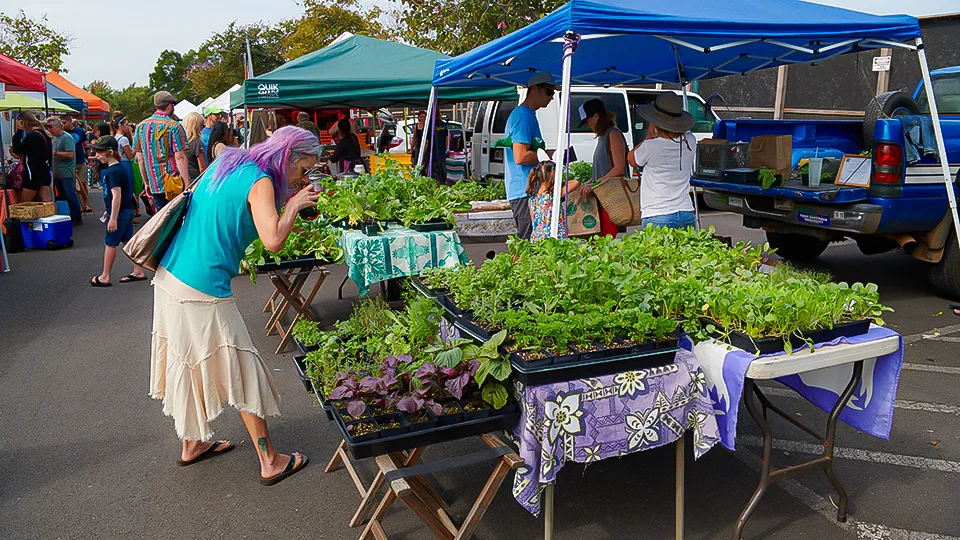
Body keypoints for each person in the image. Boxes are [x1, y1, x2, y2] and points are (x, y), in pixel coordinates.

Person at [150, 126, 318, 485]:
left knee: (189, 361)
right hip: (201, 286)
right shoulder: (261, 182)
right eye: (302, 168)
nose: (303, 177)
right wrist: (293, 206)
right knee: (240, 364)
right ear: (287, 156)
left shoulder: (229, 161)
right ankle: (270, 460)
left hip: (170, 275)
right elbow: (273, 240)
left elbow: (223, 153)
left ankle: (192, 444)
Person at [627, 93, 698, 230]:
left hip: (657, 214)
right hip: (686, 211)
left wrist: (648, 137)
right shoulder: (691, 140)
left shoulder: (650, 146)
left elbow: (631, 159)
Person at [505, 73, 557, 240]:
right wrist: (546, 155)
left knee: (530, 242)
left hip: (524, 189)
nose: (551, 97)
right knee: (528, 243)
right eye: (549, 92)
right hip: (524, 190)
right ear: (534, 89)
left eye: (553, 94)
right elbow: (520, 156)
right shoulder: (524, 116)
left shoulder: (526, 115)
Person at [89, 136, 146, 287]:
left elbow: (116, 195)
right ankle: (138, 270)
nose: (97, 156)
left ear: (110, 152)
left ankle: (105, 276)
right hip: (125, 210)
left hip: (119, 213)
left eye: (100, 152)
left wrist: (112, 217)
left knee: (110, 242)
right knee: (127, 240)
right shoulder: (118, 168)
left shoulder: (113, 172)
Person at [577, 99, 626, 238]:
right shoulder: (602, 136)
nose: (587, 125)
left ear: (596, 116)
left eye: (587, 120)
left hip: (611, 198)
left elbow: (619, 168)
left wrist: (595, 184)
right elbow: (603, 169)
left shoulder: (613, 134)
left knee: (606, 240)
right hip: (602, 197)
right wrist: (590, 181)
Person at [134, 91, 190, 212]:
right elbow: (180, 157)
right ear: (170, 106)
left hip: (154, 183)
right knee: (177, 219)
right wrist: (187, 182)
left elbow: (140, 158)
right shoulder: (174, 126)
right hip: (174, 182)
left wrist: (146, 183)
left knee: (161, 219)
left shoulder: (140, 127)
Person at [527, 161, 580, 241]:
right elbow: (575, 182)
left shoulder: (532, 198)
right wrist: (559, 184)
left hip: (537, 237)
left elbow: (533, 219)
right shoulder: (554, 194)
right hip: (555, 236)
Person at [47, 117, 82, 224]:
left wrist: (56, 153)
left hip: (66, 172)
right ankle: (67, 216)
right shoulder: (53, 138)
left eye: (50, 126)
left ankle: (77, 216)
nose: (49, 129)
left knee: (70, 194)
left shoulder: (67, 138)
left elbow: (71, 154)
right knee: (61, 196)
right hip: (57, 172)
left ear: (58, 126)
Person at [17, 111, 53, 203]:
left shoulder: (33, 136)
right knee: (46, 201)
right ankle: (53, 216)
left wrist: (19, 131)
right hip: (44, 170)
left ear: (23, 122)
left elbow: (17, 149)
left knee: (24, 202)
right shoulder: (44, 134)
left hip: (33, 172)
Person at [63, 116, 92, 213]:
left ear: (70, 121)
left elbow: (86, 144)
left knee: (83, 184)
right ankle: (77, 205)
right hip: (68, 163)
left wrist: (89, 157)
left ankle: (85, 204)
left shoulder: (80, 131)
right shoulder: (62, 133)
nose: (63, 125)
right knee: (72, 186)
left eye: (64, 122)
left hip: (80, 160)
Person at [112, 116, 138, 214]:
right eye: (126, 125)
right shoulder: (124, 139)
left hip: (118, 163)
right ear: (120, 126)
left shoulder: (115, 137)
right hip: (125, 164)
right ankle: (129, 213)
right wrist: (136, 147)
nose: (128, 127)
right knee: (128, 188)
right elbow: (130, 155)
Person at [182, 112, 208, 184]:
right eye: (202, 125)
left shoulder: (181, 142)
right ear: (196, 126)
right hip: (196, 180)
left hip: (183, 179)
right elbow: (202, 168)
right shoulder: (197, 143)